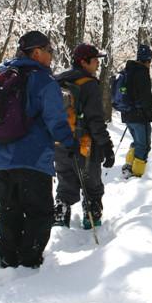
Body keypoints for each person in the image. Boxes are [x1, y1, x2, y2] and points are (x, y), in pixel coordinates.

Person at [0, 30, 75, 269]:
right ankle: (29, 260)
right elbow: (56, 121)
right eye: (50, 51)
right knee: (39, 211)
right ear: (37, 51)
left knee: (8, 208)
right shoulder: (43, 81)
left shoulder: (4, 76)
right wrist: (70, 142)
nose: (52, 56)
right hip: (32, 157)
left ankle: (8, 256)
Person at [54, 42, 116, 230]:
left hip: (59, 143)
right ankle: (92, 221)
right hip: (85, 146)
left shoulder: (57, 80)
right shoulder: (89, 84)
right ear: (83, 62)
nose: (98, 64)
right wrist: (107, 146)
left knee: (65, 185)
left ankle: (59, 221)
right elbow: (96, 121)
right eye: (95, 60)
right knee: (92, 186)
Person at [120, 44, 152, 179]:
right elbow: (146, 98)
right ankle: (136, 174)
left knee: (137, 143)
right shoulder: (142, 73)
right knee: (144, 145)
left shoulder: (128, 71)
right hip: (139, 116)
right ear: (148, 60)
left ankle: (129, 165)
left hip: (127, 115)